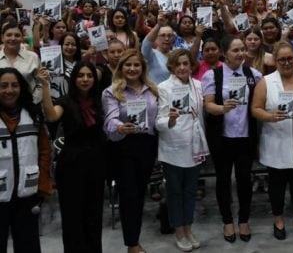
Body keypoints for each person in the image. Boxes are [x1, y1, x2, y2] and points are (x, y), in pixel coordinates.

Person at [202, 35, 264, 243]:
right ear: (224, 53)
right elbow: (208, 105)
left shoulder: (253, 75)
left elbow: (262, 100)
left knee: (245, 179)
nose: (240, 54)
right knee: (223, 179)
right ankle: (227, 221)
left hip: (246, 137)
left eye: (242, 50)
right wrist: (223, 108)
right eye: (235, 50)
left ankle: (244, 220)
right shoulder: (213, 76)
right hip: (222, 137)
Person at [251, 42, 293, 240]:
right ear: (275, 61)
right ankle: (278, 219)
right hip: (276, 139)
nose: (286, 63)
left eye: (290, 59)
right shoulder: (266, 82)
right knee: (277, 184)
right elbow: (255, 108)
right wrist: (269, 117)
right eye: (282, 59)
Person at [41, 62, 106, 253]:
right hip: (71, 164)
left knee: (94, 216)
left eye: (89, 76)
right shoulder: (66, 101)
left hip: (95, 162)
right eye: (80, 75)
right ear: (74, 79)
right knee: (72, 217)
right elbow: (52, 116)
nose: (85, 79)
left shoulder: (100, 100)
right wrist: (45, 87)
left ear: (95, 79)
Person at [102, 49, 160, 253]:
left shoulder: (152, 89)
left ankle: (134, 238)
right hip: (123, 146)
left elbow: (157, 118)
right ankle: (132, 243)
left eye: (136, 65)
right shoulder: (112, 91)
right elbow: (110, 118)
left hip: (147, 145)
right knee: (129, 195)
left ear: (142, 68)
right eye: (128, 65)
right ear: (121, 67)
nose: (132, 68)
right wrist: (119, 127)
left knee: (139, 193)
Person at [156, 49, 208, 251]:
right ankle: (178, 229)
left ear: (192, 65)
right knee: (175, 192)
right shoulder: (164, 88)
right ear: (171, 67)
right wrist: (170, 119)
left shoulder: (198, 85)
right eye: (178, 64)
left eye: (186, 63)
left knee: (190, 191)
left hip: (194, 145)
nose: (182, 67)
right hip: (173, 147)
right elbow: (158, 122)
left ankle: (188, 227)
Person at [0, 68, 51, 253]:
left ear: (21, 88)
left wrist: (43, 185)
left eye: (14, 85)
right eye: (3, 86)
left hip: (27, 195)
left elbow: (45, 151)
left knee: (28, 246)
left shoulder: (33, 114)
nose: (9, 90)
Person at [0, 22, 41, 102]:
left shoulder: (33, 57)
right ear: (2, 38)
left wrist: (33, 101)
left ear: (22, 38)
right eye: (9, 35)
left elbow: (41, 83)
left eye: (17, 35)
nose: (13, 38)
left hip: (28, 105)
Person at [141, 12, 175, 84]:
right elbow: (146, 44)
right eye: (163, 35)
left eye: (170, 36)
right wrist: (159, 25)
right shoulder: (151, 54)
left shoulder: (176, 54)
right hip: (156, 93)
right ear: (155, 38)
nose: (166, 39)